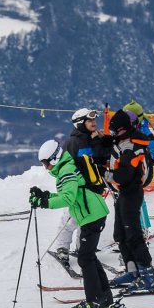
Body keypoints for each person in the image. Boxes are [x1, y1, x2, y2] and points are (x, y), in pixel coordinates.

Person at [30, 139, 113, 308]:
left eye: (46, 163)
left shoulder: (66, 170)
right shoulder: (65, 167)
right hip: (92, 213)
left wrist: (43, 202)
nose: (45, 167)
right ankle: (104, 297)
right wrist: (46, 195)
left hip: (92, 215)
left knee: (85, 258)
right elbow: (69, 194)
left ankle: (94, 301)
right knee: (88, 256)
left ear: (54, 158)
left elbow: (67, 198)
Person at [106, 109, 154, 292]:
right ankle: (133, 270)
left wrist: (103, 173)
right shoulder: (122, 141)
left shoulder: (131, 147)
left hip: (131, 192)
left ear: (124, 129)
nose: (114, 135)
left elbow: (123, 175)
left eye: (116, 132)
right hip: (123, 194)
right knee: (120, 234)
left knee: (133, 235)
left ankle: (148, 276)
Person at [53, 107, 112, 266]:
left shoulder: (94, 138)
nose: (94, 123)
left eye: (94, 120)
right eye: (90, 120)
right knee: (70, 219)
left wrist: (101, 141)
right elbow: (65, 166)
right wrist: (71, 185)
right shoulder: (73, 143)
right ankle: (62, 248)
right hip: (79, 189)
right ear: (80, 123)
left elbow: (102, 157)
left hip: (94, 187)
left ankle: (82, 246)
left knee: (87, 220)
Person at [124, 99, 154, 234]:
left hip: (142, 168)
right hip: (130, 168)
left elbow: (151, 147)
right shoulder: (131, 128)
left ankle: (142, 227)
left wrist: (151, 160)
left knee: (137, 197)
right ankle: (136, 226)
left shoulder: (144, 131)